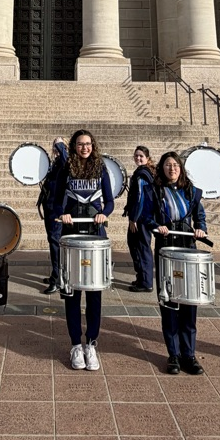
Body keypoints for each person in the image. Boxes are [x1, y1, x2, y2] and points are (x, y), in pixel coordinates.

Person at [51, 129, 114, 371]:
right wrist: (62, 214)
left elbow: (109, 201)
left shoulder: (101, 168)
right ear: (74, 146)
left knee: (94, 292)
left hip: (95, 234)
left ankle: (92, 344)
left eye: (88, 144)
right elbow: (56, 202)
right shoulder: (66, 168)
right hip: (72, 233)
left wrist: (103, 214)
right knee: (72, 292)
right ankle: (76, 344)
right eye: (80, 144)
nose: (84, 148)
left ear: (93, 146)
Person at [147, 151, 207, 375]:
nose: (172, 168)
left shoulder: (191, 191)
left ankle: (189, 354)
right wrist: (156, 225)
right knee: (169, 300)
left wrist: (201, 229)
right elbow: (145, 216)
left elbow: (199, 215)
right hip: (166, 247)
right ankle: (173, 354)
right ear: (162, 168)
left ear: (181, 168)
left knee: (189, 301)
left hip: (187, 247)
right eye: (167, 165)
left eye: (175, 165)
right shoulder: (153, 190)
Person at [37, 136, 68, 295]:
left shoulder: (65, 162)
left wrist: (60, 144)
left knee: (55, 242)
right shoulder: (55, 163)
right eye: (54, 145)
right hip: (49, 207)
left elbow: (66, 160)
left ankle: (57, 279)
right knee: (52, 241)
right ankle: (56, 274)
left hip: (57, 210)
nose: (55, 148)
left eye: (58, 145)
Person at [124, 144, 157, 293]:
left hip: (141, 218)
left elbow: (140, 198)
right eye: (136, 156)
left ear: (147, 158)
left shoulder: (143, 174)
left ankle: (146, 282)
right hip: (143, 216)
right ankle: (142, 277)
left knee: (141, 247)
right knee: (136, 245)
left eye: (141, 156)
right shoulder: (144, 171)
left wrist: (134, 218)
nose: (138, 158)